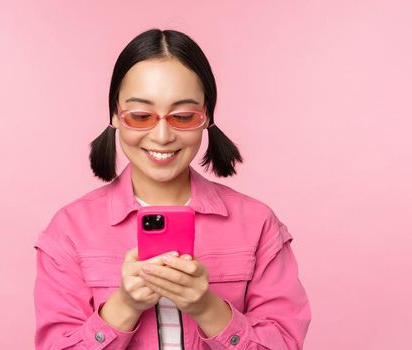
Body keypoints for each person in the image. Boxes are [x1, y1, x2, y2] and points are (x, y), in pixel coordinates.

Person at [32, 28, 311, 350]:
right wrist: (123, 306)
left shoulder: (257, 224)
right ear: (114, 116)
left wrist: (207, 307)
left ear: (206, 117)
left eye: (182, 116)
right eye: (140, 116)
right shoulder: (69, 231)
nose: (162, 135)